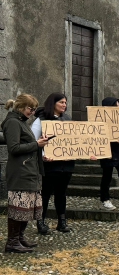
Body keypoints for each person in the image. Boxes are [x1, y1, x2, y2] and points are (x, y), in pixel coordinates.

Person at [1, 94, 49, 252]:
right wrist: (36, 144)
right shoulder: (13, 122)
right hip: (20, 171)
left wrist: (38, 145)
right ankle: (12, 242)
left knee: (27, 208)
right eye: (30, 108)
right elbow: (13, 148)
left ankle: (19, 238)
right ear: (21, 107)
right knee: (19, 207)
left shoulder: (21, 122)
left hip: (29, 171)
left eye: (35, 109)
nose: (33, 112)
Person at [31, 93, 74, 234]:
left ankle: (62, 221)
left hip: (66, 164)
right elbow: (33, 142)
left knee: (61, 193)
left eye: (65, 103)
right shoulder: (41, 120)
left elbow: (75, 141)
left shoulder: (67, 120)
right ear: (53, 103)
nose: (64, 105)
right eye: (61, 102)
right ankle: (41, 222)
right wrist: (43, 155)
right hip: (49, 165)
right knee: (45, 193)